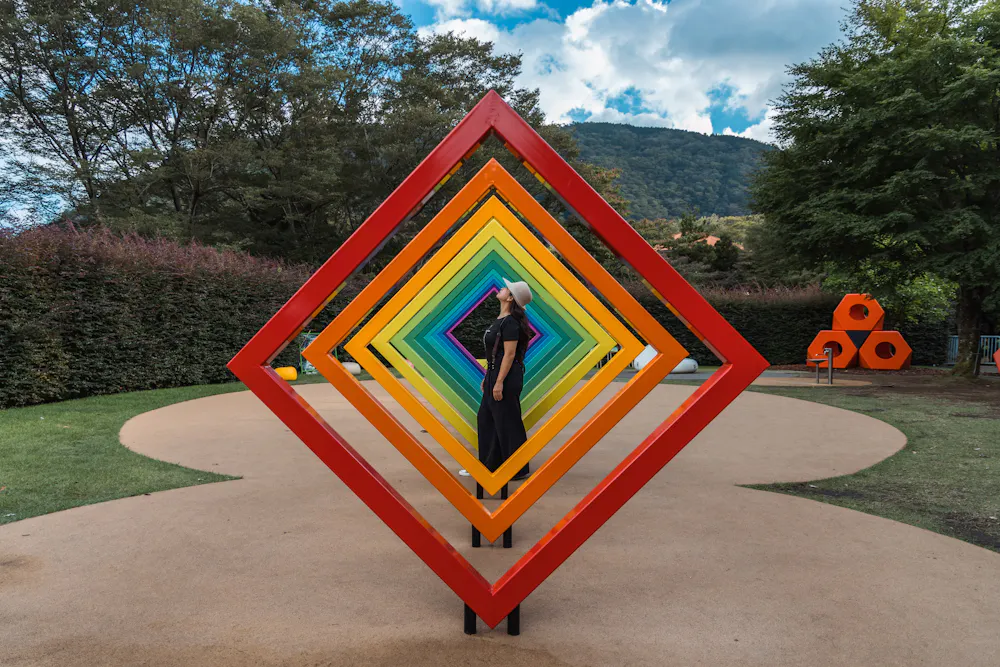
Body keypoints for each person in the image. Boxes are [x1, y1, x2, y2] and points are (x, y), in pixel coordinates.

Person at [459, 278, 533, 482]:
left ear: (510, 297)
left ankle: (516, 469)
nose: (501, 289)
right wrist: (488, 376)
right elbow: (495, 353)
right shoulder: (500, 320)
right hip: (496, 373)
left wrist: (499, 381)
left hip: (506, 376)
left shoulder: (510, 323)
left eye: (505, 288)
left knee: (507, 420)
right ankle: (489, 465)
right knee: (488, 419)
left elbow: (509, 355)